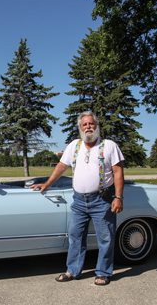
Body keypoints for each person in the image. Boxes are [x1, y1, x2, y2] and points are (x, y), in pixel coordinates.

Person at [31, 111, 124, 286]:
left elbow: (118, 172)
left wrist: (118, 197)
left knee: (106, 238)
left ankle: (103, 273)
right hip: (79, 201)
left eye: (91, 124)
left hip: (102, 200)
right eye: (85, 124)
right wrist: (47, 184)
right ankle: (72, 270)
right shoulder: (74, 145)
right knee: (75, 236)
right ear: (80, 128)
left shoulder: (109, 145)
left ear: (97, 125)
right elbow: (62, 166)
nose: (88, 127)